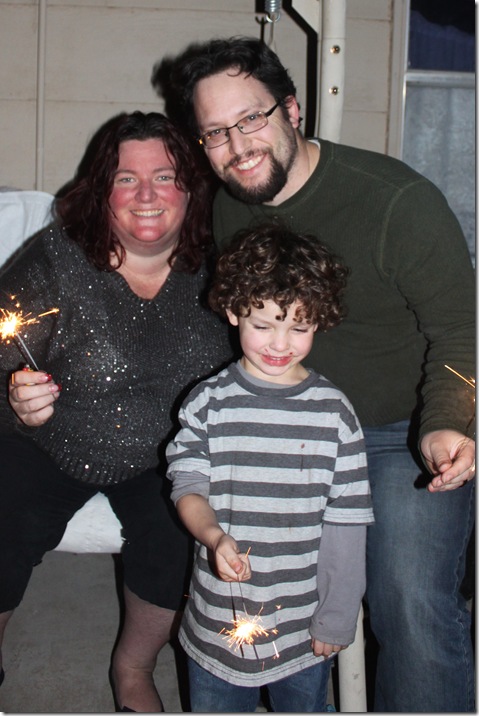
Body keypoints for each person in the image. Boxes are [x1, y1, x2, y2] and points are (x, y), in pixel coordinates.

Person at [157, 37, 476, 712]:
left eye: (251, 119)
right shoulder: (231, 204)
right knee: (241, 581)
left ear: (292, 110)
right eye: (215, 132)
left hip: (396, 432)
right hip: (282, 423)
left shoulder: (397, 203)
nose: (237, 147)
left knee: (409, 599)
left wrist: (446, 421)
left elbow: (461, 332)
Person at [0, 111, 233, 712]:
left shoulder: (222, 269)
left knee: (178, 535)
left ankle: (134, 669)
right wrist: (17, 404)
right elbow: (2, 357)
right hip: (47, 443)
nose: (146, 194)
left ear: (191, 188)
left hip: (170, 455)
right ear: (102, 190)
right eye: (126, 178)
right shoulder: (55, 260)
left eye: (164, 176)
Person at [166, 224, 375, 713]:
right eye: (263, 325)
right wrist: (215, 537)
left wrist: (337, 616)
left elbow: (347, 525)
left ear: (319, 321)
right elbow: (188, 486)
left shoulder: (335, 414)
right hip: (217, 624)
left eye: (299, 328)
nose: (280, 344)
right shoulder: (208, 403)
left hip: (303, 630)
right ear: (234, 311)